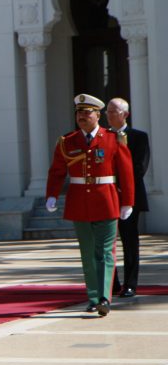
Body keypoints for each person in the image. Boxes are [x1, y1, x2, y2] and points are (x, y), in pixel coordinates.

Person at [45, 94, 134, 316]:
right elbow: (57, 170)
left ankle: (105, 298)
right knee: (87, 253)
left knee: (105, 252)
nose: (82, 117)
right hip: (79, 201)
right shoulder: (68, 141)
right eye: (79, 113)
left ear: (97, 115)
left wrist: (128, 202)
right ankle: (93, 297)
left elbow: (126, 172)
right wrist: (52, 195)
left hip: (106, 200)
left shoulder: (113, 139)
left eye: (87, 113)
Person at [107, 98, 149, 298]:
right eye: (108, 111)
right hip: (106, 196)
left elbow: (140, 168)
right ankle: (112, 283)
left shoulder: (139, 137)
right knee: (107, 242)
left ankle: (130, 284)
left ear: (125, 114)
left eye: (113, 111)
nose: (109, 114)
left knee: (130, 241)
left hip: (129, 197)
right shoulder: (103, 136)